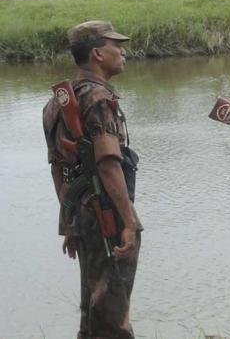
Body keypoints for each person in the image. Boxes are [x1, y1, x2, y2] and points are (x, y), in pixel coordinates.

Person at [43, 21, 142, 338]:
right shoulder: (99, 99)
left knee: (92, 309)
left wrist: (70, 222)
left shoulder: (56, 103)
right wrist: (128, 221)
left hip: (82, 213)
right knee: (113, 316)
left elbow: (58, 168)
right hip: (108, 213)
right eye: (116, 44)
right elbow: (109, 162)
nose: (122, 50)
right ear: (98, 53)